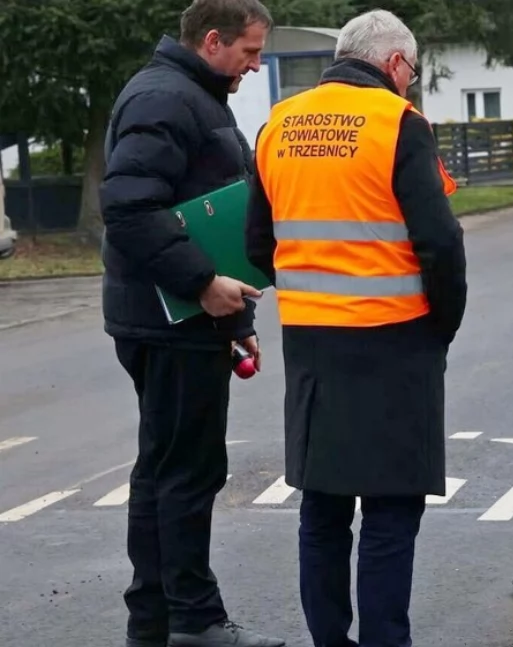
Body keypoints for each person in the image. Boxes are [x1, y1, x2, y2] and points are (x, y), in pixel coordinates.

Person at [244, 9, 467, 647]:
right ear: (395, 64)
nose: (411, 84)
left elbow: (259, 241)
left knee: (322, 509)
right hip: (396, 343)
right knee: (391, 513)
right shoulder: (400, 125)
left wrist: (312, 292)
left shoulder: (277, 124)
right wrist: (439, 328)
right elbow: (440, 245)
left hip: (313, 346)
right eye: (413, 73)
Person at [100, 1, 285, 646]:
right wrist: (203, 285)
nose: (255, 66)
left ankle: (154, 622)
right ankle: (194, 621)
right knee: (186, 472)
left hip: (185, 319)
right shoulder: (166, 99)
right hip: (169, 319)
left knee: (165, 468)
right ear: (213, 41)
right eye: (250, 52)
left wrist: (232, 319)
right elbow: (127, 208)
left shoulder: (190, 94)